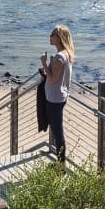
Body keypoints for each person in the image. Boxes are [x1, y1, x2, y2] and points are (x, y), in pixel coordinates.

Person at [39, 24, 75, 162]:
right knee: (56, 130)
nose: (50, 36)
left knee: (58, 133)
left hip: (55, 98)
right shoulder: (65, 54)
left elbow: (53, 79)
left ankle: (61, 165)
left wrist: (44, 63)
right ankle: (60, 163)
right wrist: (48, 68)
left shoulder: (60, 57)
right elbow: (56, 76)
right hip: (58, 96)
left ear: (59, 38)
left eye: (53, 34)